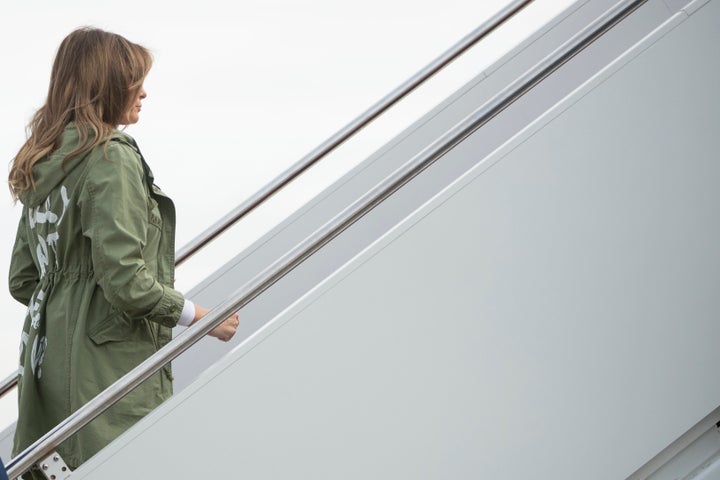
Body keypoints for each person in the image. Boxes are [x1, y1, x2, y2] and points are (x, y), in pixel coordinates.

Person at [7, 27, 239, 475]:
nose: (144, 92)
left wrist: (67, 306)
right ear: (107, 85)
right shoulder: (110, 158)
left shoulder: (44, 163)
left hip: (44, 361)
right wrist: (199, 317)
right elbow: (126, 281)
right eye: (134, 81)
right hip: (104, 370)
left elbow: (23, 280)